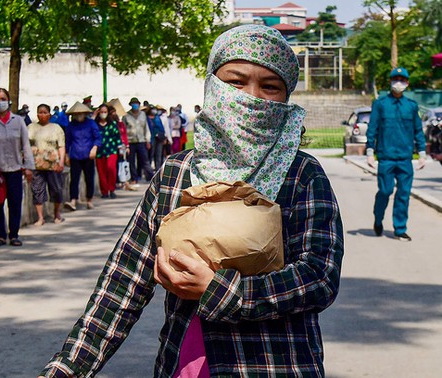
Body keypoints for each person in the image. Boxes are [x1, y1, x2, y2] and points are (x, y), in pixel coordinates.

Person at [39, 25, 343, 377]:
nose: (252, 96)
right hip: (185, 363)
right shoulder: (176, 174)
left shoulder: (302, 174)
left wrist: (225, 291)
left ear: (285, 97)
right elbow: (121, 286)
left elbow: (320, 278)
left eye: (270, 86)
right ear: (212, 85)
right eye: (236, 81)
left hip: (276, 364)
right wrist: (66, 369)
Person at [366, 67, 427, 242]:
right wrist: (370, 152)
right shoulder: (381, 104)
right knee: (385, 191)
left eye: (402, 79)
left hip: (405, 159)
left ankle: (400, 229)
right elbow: (373, 129)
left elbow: (418, 131)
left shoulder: (411, 106)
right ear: (391, 82)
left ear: (407, 83)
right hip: (386, 158)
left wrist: (422, 153)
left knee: (403, 194)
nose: (398, 82)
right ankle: (378, 218)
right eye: (395, 79)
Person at [0, 88, 35, 247]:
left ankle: (14, 234)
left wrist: (29, 166)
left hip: (15, 169)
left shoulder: (18, 121)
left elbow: (25, 145)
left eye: (3, 98)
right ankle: (0, 236)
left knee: (15, 203)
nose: (0, 101)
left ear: (8, 100)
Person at [28, 104, 67, 225]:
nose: (42, 115)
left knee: (56, 189)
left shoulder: (56, 128)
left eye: (45, 112)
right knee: (37, 189)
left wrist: (61, 162)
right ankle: (40, 217)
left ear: (49, 114)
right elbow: (25, 145)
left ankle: (57, 214)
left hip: (53, 164)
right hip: (37, 163)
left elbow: (61, 146)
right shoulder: (31, 127)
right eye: (40, 112)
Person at [64, 101, 102, 211]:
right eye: (77, 114)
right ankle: (73, 200)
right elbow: (68, 141)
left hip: (88, 154)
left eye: (81, 113)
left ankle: (89, 199)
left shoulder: (91, 124)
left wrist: (94, 148)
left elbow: (98, 137)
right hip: (75, 155)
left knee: (89, 178)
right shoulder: (71, 126)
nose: (79, 116)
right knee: (74, 179)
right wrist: (66, 154)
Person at [122, 97, 153, 185]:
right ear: (131, 105)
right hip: (130, 141)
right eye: (133, 104)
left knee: (145, 160)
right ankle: (134, 178)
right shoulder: (126, 116)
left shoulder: (143, 115)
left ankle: (150, 177)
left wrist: (148, 140)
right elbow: (123, 130)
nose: (135, 105)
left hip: (141, 140)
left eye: (136, 104)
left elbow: (146, 128)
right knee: (131, 161)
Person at [94, 104, 122, 199]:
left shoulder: (112, 124)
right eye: (101, 112)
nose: (103, 114)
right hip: (99, 151)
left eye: (105, 112)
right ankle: (104, 191)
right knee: (101, 172)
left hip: (111, 150)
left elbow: (117, 137)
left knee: (111, 169)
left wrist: (121, 148)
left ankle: (112, 189)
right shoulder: (95, 125)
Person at [146, 105, 167, 171]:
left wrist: (164, 138)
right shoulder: (147, 118)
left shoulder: (157, 118)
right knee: (151, 154)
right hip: (151, 138)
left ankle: (158, 169)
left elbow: (162, 128)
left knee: (158, 154)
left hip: (159, 138)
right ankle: (148, 170)